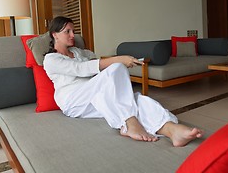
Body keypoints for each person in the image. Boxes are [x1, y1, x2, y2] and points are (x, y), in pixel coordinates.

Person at [43, 16, 203, 147]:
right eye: (67, 31)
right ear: (54, 35)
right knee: (116, 67)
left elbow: (94, 62)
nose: (73, 35)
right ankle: (129, 122)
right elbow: (82, 69)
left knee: (136, 100)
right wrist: (118, 60)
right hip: (74, 101)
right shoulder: (51, 59)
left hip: (95, 95)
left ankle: (171, 130)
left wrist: (125, 61)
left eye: (73, 31)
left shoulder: (77, 52)